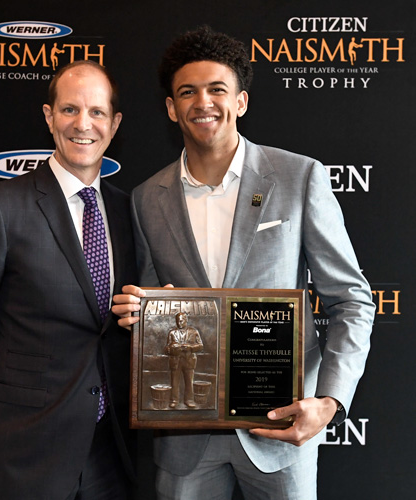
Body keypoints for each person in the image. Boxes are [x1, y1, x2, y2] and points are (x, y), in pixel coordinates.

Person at [112, 26, 375, 499]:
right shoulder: (146, 198)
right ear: (171, 108)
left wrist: (330, 402)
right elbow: (153, 306)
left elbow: (351, 299)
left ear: (241, 102)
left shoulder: (298, 177)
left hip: (280, 430)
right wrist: (143, 315)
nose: (202, 103)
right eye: (187, 92)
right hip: (184, 438)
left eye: (217, 89)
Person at [0, 60, 137, 500]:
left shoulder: (127, 211)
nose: (84, 124)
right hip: (24, 455)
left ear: (115, 123)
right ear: (49, 117)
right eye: (69, 110)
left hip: (111, 455)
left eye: (97, 112)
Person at [165, 312, 203, 408]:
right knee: (174, 381)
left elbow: (200, 346)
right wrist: (172, 347)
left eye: (181, 321)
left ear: (186, 320)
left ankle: (189, 400)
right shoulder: (172, 333)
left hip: (189, 360)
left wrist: (190, 347)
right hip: (175, 361)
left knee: (189, 381)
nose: (179, 323)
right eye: (177, 321)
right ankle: (174, 400)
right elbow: (166, 348)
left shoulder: (193, 331)